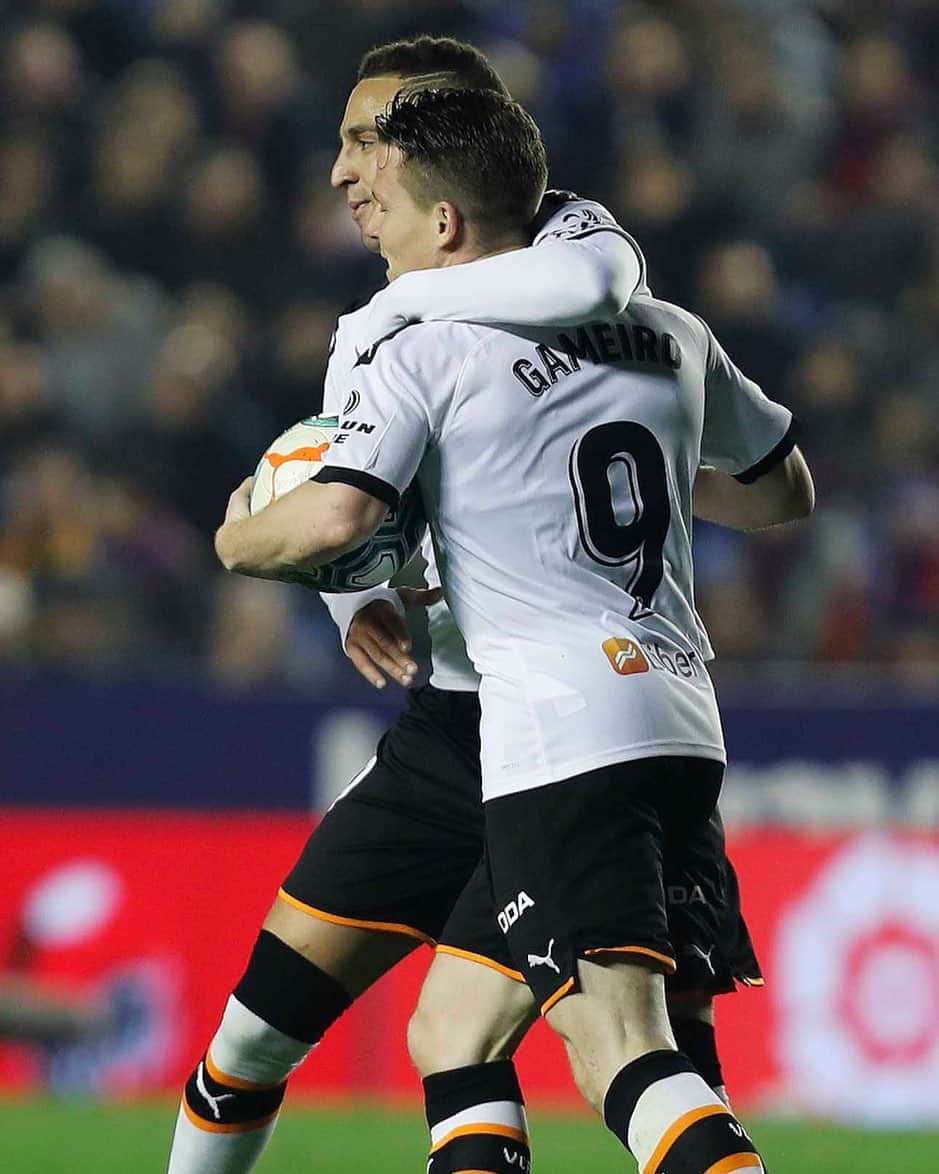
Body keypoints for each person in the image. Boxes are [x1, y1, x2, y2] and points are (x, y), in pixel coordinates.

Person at [168, 37, 762, 1174]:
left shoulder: (487, 300)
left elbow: (345, 503)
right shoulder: (413, 320)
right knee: (289, 1032)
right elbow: (357, 498)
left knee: (630, 1045)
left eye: (366, 141)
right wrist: (352, 605)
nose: (346, 171)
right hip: (463, 733)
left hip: (554, 724)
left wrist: (248, 536)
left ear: (452, 160)